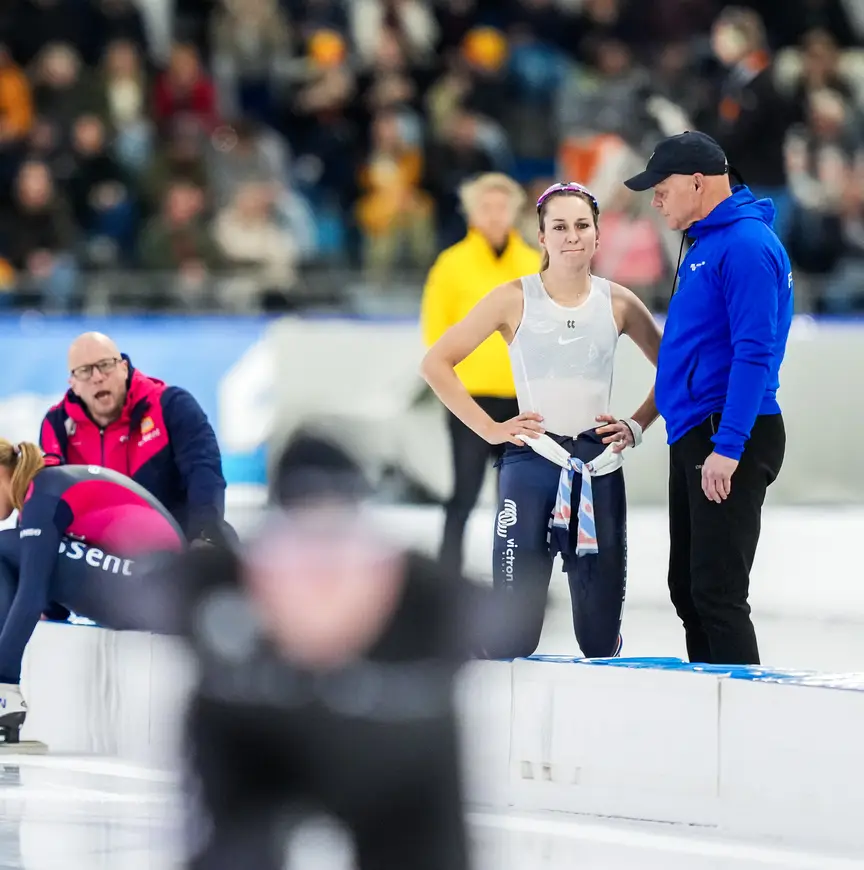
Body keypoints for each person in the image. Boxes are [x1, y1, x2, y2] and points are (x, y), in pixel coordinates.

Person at [108, 431, 534, 870]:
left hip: (391, 761)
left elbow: (503, 618)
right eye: (300, 546)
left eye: (337, 545)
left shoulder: (422, 595)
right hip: (258, 746)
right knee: (238, 843)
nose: (319, 568)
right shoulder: (220, 585)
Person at [421, 182, 662, 659]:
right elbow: (435, 363)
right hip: (531, 464)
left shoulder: (620, 303)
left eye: (582, 225)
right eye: (560, 226)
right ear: (542, 236)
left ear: (598, 235)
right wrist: (490, 429)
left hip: (598, 468)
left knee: (598, 642)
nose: (572, 236)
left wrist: (637, 425)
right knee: (513, 638)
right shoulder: (512, 298)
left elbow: (677, 372)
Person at [623, 130, 793, 666]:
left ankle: (742, 710)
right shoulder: (706, 245)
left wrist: (729, 445)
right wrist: (640, 422)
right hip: (699, 430)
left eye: (661, 189)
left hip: (727, 431)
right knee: (689, 590)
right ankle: (709, 702)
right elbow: (687, 354)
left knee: (717, 594)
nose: (655, 202)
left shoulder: (744, 246)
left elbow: (754, 353)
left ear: (697, 183)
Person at [0, 438, 185, 738]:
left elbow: (32, 594)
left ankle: (3, 693)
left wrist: (4, 676)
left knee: (4, 549)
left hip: (157, 591)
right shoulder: (42, 493)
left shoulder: (43, 494)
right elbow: (50, 595)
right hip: (153, 591)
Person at [420, 173, 541, 573]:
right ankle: (447, 576)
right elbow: (436, 333)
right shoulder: (450, 265)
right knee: (465, 492)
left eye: (502, 206)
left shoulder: (533, 263)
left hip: (523, 399)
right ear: (471, 212)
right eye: (486, 207)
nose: (494, 215)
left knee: (522, 498)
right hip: (470, 399)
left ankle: (522, 577)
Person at [39, 331, 233, 548]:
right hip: (99, 552)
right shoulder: (57, 424)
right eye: (85, 371)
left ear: (123, 368)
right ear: (73, 383)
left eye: (105, 365)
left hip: (176, 543)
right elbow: (46, 496)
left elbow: (204, 473)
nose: (97, 377)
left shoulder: (171, 405)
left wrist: (204, 536)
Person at [0, 527, 172, 745]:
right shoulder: (29, 532)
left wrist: (5, 682)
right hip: (151, 589)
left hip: (142, 596)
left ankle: (5, 700)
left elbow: (32, 597)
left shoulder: (28, 525)